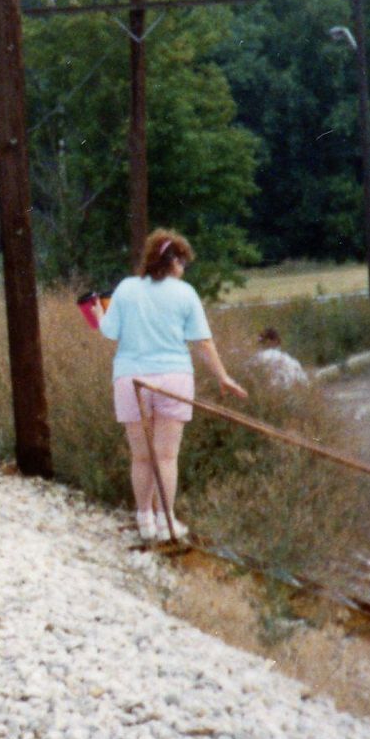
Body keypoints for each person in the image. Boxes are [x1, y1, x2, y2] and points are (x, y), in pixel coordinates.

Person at [101, 228, 246, 540]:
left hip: (131, 377)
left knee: (141, 456)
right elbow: (203, 342)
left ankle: (144, 520)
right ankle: (166, 521)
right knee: (166, 456)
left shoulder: (126, 288)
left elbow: (109, 332)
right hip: (174, 377)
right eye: (184, 263)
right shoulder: (185, 293)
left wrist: (100, 314)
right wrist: (223, 376)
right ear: (175, 261)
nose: (184, 269)